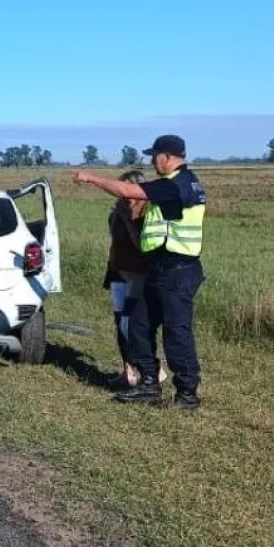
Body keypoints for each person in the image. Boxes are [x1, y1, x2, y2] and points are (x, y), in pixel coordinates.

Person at [71, 134, 206, 410]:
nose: (152, 161)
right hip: (161, 268)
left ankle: (187, 394)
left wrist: (91, 178)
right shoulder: (177, 183)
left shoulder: (177, 184)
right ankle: (148, 383)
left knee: (176, 333)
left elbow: (130, 192)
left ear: (167, 157)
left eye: (154, 155)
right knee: (138, 324)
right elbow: (128, 194)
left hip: (178, 270)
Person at [102, 170, 166, 389]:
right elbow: (115, 243)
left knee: (134, 324)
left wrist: (128, 221)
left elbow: (143, 246)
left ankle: (152, 369)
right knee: (121, 323)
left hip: (140, 274)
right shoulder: (116, 212)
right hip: (118, 272)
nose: (124, 195)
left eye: (129, 190)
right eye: (121, 191)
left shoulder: (150, 212)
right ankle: (128, 371)